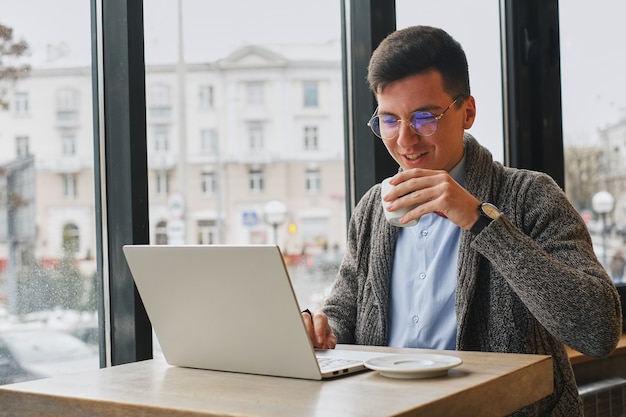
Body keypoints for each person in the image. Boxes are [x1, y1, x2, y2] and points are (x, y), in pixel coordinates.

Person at [301, 26, 621, 417]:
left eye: (424, 117)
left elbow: (599, 329)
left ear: (467, 112)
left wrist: (478, 219)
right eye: (389, 120)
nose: (404, 140)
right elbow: (343, 313)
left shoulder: (530, 196)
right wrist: (319, 327)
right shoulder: (372, 208)